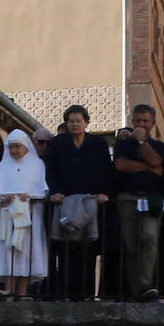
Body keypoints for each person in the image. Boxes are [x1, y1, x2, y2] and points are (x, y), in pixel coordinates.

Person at [47, 104, 114, 300]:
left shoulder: (98, 143)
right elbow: (52, 170)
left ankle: (86, 295)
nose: (75, 124)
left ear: (86, 122)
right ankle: (67, 294)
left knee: (88, 248)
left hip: (91, 203)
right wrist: (55, 192)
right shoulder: (58, 143)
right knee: (66, 249)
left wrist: (104, 193)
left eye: (78, 120)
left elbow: (106, 170)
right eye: (71, 121)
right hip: (66, 201)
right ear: (66, 123)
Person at [113, 104, 164, 299]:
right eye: (138, 121)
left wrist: (143, 141)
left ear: (153, 123)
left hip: (150, 199)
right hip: (127, 198)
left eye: (145, 121)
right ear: (132, 121)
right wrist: (147, 166)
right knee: (131, 244)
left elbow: (157, 165)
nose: (141, 124)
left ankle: (146, 284)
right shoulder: (122, 145)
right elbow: (120, 165)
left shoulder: (160, 146)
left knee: (150, 237)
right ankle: (135, 290)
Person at [0, 130, 48, 299]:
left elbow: (42, 190)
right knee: (9, 249)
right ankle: (9, 287)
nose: (14, 151)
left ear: (25, 147)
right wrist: (3, 197)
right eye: (11, 147)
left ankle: (23, 290)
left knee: (26, 251)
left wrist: (29, 196)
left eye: (18, 147)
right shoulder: (3, 166)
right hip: (8, 215)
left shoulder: (37, 165)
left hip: (29, 215)